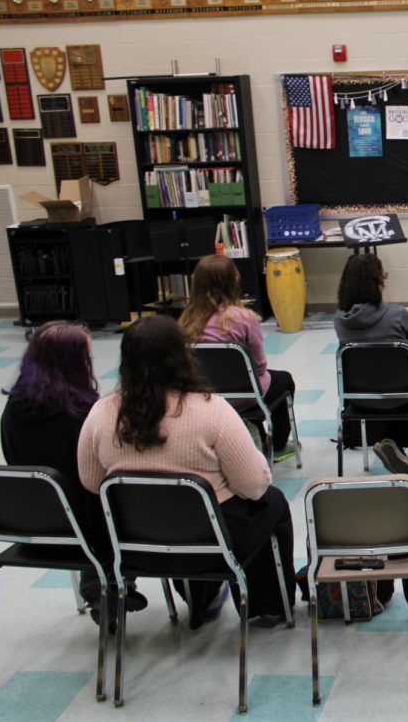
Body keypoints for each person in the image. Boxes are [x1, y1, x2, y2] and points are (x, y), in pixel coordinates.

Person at [77, 315, 295, 629]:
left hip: (136, 547)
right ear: (182, 357)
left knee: (185, 513)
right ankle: (268, 606)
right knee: (271, 503)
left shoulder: (101, 412)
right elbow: (254, 485)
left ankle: (200, 601)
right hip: (214, 544)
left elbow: (91, 481)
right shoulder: (212, 410)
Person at [0, 322, 148, 627]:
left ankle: (103, 581)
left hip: (34, 531)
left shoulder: (11, 411)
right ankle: (114, 578)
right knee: (127, 494)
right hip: (90, 533)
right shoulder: (85, 412)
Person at [179, 254, 298, 463]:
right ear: (232, 281)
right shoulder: (244, 318)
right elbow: (260, 367)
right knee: (283, 380)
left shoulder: (185, 321)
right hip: (245, 395)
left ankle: (257, 436)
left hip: (203, 396)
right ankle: (278, 446)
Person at [334, 253, 408, 473]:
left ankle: (388, 442)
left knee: (378, 383)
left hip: (359, 399)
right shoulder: (399, 314)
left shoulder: (340, 321)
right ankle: (395, 442)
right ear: (378, 281)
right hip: (401, 397)